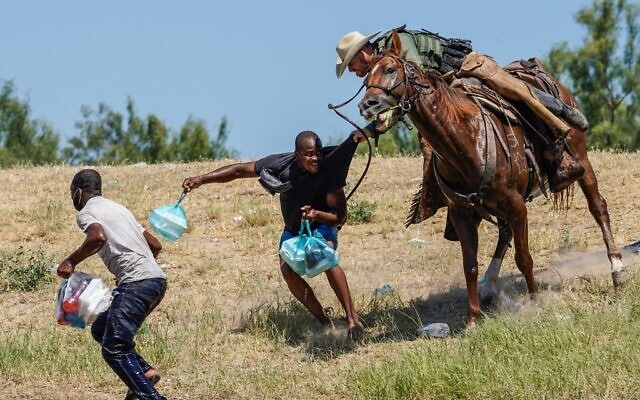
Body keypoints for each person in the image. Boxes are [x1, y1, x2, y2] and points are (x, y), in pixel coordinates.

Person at [335, 27, 589, 193]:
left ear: (363, 52)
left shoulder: (396, 45)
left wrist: (373, 127)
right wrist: (371, 129)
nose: (352, 71)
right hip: (446, 92)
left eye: (351, 64)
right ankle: (443, 196)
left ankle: (559, 134)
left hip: (466, 68)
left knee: (515, 93)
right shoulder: (380, 73)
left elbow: (415, 83)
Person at [182, 131, 366, 338]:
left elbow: (340, 217)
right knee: (288, 271)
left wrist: (316, 214)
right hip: (293, 230)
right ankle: (325, 321)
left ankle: (353, 321)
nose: (316, 159)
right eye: (309, 154)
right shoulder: (281, 165)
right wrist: (201, 179)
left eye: (318, 154)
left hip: (322, 225)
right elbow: (239, 171)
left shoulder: (329, 171)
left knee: (324, 256)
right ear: (297, 154)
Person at [57, 169, 168, 400]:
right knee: (101, 329)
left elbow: (97, 237)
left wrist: (70, 261)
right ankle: (144, 372)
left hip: (138, 283)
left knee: (114, 347)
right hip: (156, 280)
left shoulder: (88, 212)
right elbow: (155, 245)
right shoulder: (118, 208)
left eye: (71, 194)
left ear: (77, 191)